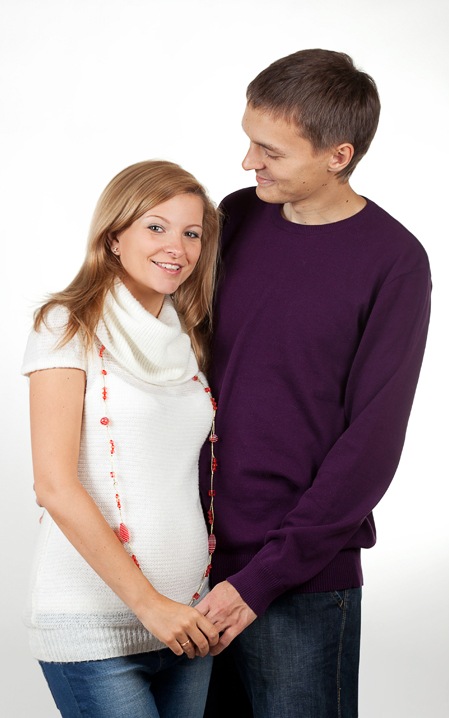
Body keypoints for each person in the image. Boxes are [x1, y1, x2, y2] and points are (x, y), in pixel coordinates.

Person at [197, 49, 431, 718]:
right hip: (190, 567)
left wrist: (262, 579)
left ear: (337, 155)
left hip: (300, 580)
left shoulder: (394, 262)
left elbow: (371, 445)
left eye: (269, 150)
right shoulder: (236, 216)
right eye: (249, 140)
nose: (247, 161)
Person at [21, 159, 221, 718]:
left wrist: (180, 607)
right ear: (114, 237)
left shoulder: (190, 340)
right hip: (93, 625)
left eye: (192, 233)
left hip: (188, 618)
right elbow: (54, 486)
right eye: (156, 227)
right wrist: (149, 605)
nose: (176, 247)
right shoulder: (66, 324)